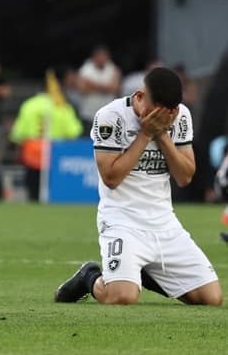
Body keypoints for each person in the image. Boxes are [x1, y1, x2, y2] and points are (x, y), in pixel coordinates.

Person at [55, 67, 222, 306]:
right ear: (140, 96)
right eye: (155, 111)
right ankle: (89, 277)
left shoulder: (181, 117)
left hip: (164, 223)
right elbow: (111, 178)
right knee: (122, 297)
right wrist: (145, 135)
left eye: (169, 112)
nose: (162, 116)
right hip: (122, 221)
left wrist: (162, 135)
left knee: (211, 299)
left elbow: (185, 177)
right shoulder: (111, 117)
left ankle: (141, 272)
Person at [9, 69, 82, 201]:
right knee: (53, 193)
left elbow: (18, 134)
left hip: (32, 154)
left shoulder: (29, 105)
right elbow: (74, 132)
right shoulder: (61, 106)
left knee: (34, 194)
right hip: (56, 154)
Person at [76, 45, 121, 133]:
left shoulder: (114, 69)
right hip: (89, 115)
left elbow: (115, 88)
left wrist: (92, 85)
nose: (101, 58)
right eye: (99, 56)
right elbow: (82, 89)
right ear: (94, 57)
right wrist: (106, 87)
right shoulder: (85, 69)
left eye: (104, 56)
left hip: (108, 115)